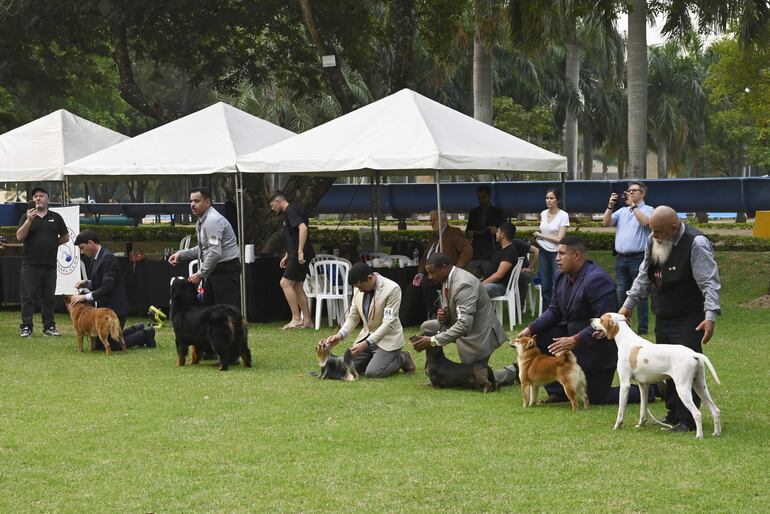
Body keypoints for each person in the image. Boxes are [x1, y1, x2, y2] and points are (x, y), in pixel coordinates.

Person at [619, 205, 721, 433]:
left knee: (684, 367)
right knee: (666, 367)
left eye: (658, 232)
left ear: (673, 228)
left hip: (688, 317)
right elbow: (644, 275)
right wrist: (628, 305)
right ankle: (673, 413)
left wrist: (710, 317)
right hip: (663, 314)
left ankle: (686, 421)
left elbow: (709, 283)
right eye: (652, 230)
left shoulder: (696, 243)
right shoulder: (653, 239)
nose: (653, 235)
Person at [513, 236, 651, 404]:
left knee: (596, 397)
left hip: (597, 348)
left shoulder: (597, 280)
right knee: (541, 335)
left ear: (577, 256)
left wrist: (575, 339)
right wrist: (530, 329)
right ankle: (558, 390)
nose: (557, 258)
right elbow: (554, 310)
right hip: (571, 340)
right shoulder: (561, 276)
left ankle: (653, 390)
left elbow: (605, 324)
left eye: (562, 254)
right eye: (557, 254)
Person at [319, 263, 416, 378]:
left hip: (387, 340)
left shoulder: (392, 289)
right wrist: (340, 335)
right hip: (367, 338)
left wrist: (366, 344)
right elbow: (353, 317)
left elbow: (389, 323)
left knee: (373, 372)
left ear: (370, 278)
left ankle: (402, 358)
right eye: (357, 288)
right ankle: (373, 359)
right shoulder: (358, 289)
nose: (359, 290)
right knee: (349, 368)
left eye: (361, 287)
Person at [411, 253, 506, 365]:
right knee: (427, 327)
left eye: (432, 272)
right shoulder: (447, 278)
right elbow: (454, 311)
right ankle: (435, 369)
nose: (430, 277)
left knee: (474, 378)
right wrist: (443, 316)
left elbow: (464, 325)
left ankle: (511, 372)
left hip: (478, 333)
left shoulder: (464, 285)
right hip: (465, 326)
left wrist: (433, 340)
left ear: (444, 267)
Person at [69, 230, 156, 349]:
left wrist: (84, 297)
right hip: (105, 309)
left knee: (113, 344)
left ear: (90, 243)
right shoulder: (96, 257)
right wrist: (86, 283)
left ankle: (145, 334)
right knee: (103, 340)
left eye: (82, 248)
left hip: (116, 309)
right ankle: (137, 328)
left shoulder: (107, 258)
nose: (82, 252)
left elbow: (107, 287)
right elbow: (97, 283)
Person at [168, 186, 241, 309]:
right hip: (215, 269)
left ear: (207, 202)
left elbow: (215, 253)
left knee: (226, 313)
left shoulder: (212, 220)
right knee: (209, 312)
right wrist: (181, 254)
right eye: (191, 201)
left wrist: (200, 274)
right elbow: (203, 248)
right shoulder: (203, 220)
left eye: (197, 201)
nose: (192, 204)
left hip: (225, 269)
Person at [16, 186, 69, 338]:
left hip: (50, 264)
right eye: (35, 197)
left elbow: (65, 237)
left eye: (41, 196)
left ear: (47, 199)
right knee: (28, 297)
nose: (38, 198)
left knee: (49, 297)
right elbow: (19, 237)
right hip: (30, 264)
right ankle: (26, 327)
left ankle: (49, 327)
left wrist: (53, 243)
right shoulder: (26, 217)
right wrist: (29, 220)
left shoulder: (56, 217)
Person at [603, 181, 654, 334]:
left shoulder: (649, 209)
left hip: (639, 258)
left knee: (641, 293)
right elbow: (606, 223)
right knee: (621, 292)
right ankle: (624, 326)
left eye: (634, 190)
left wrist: (633, 206)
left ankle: (643, 328)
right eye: (629, 190)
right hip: (621, 258)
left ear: (642, 194)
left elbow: (646, 223)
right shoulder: (622, 211)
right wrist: (610, 206)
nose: (630, 192)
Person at [268, 190, 316, 329]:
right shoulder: (290, 211)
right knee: (296, 285)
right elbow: (293, 236)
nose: (272, 209)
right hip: (295, 253)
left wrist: (300, 251)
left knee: (285, 283)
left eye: (272, 206)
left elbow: (303, 228)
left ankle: (296, 318)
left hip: (300, 253)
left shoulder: (290, 210)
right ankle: (307, 321)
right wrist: (288, 255)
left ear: (278, 201)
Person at [412, 210, 473, 319]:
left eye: (435, 220)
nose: (432, 223)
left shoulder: (454, 232)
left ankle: (436, 313)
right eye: (431, 220)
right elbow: (425, 256)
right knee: (413, 285)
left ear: (444, 220)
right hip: (431, 272)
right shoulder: (433, 236)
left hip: (445, 272)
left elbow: (467, 249)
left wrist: (457, 269)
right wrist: (420, 273)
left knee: (426, 283)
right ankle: (412, 317)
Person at [533, 188, 569, 308]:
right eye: (547, 198)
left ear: (557, 200)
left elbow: (560, 239)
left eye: (552, 198)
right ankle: (546, 314)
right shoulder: (543, 213)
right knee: (546, 285)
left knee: (559, 283)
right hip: (543, 251)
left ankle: (562, 311)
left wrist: (540, 235)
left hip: (556, 253)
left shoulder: (563, 215)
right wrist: (539, 239)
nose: (549, 200)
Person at [465, 185, 503, 271]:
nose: (480, 200)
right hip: (475, 253)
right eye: (479, 197)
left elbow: (504, 231)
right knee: (473, 280)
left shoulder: (498, 212)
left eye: (483, 197)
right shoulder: (473, 212)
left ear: (489, 196)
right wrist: (469, 233)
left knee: (488, 280)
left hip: (491, 253)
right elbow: (467, 230)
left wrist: (497, 231)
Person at [480, 221, 520, 299]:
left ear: (502, 235)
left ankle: (477, 311)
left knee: (479, 290)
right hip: (491, 283)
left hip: (501, 286)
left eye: (498, 232)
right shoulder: (500, 249)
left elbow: (499, 275)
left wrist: (481, 284)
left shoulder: (509, 252)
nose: (496, 234)